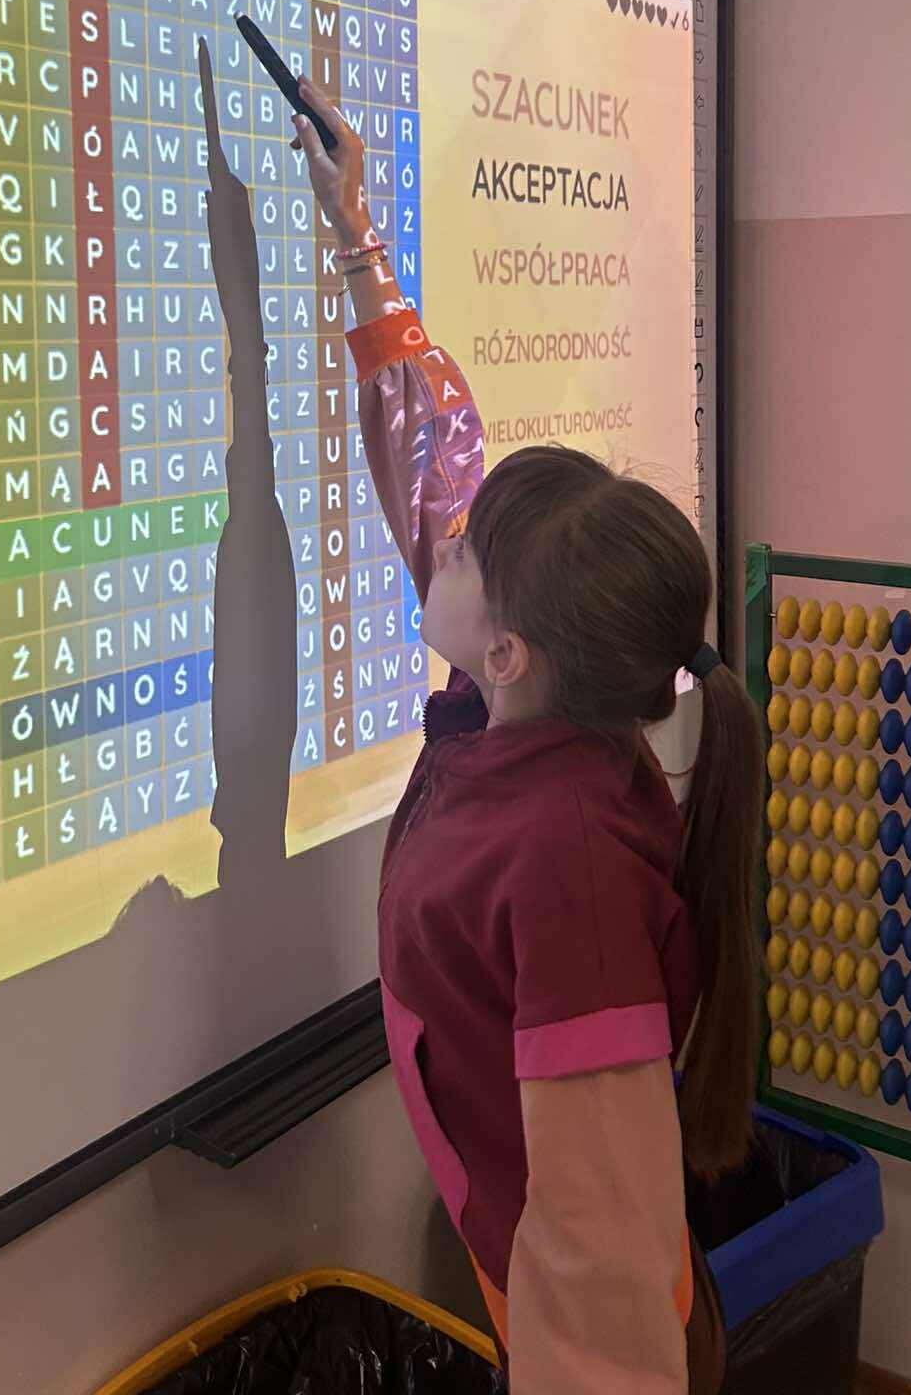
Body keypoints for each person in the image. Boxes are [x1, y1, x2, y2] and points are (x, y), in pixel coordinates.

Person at [290, 77, 762, 1392]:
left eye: (462, 552)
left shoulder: (571, 869)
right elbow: (434, 462)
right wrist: (355, 233)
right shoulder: (519, 715)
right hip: (535, 1290)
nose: (439, 537)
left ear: (510, 648)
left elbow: (605, 1263)